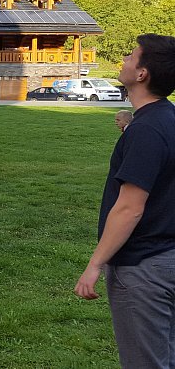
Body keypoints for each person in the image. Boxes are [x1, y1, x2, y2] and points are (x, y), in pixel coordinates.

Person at [74, 34, 175, 368]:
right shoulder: (167, 118)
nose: (124, 60)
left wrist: (95, 264)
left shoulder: (146, 130)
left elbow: (130, 208)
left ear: (142, 73)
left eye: (131, 56)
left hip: (144, 269)